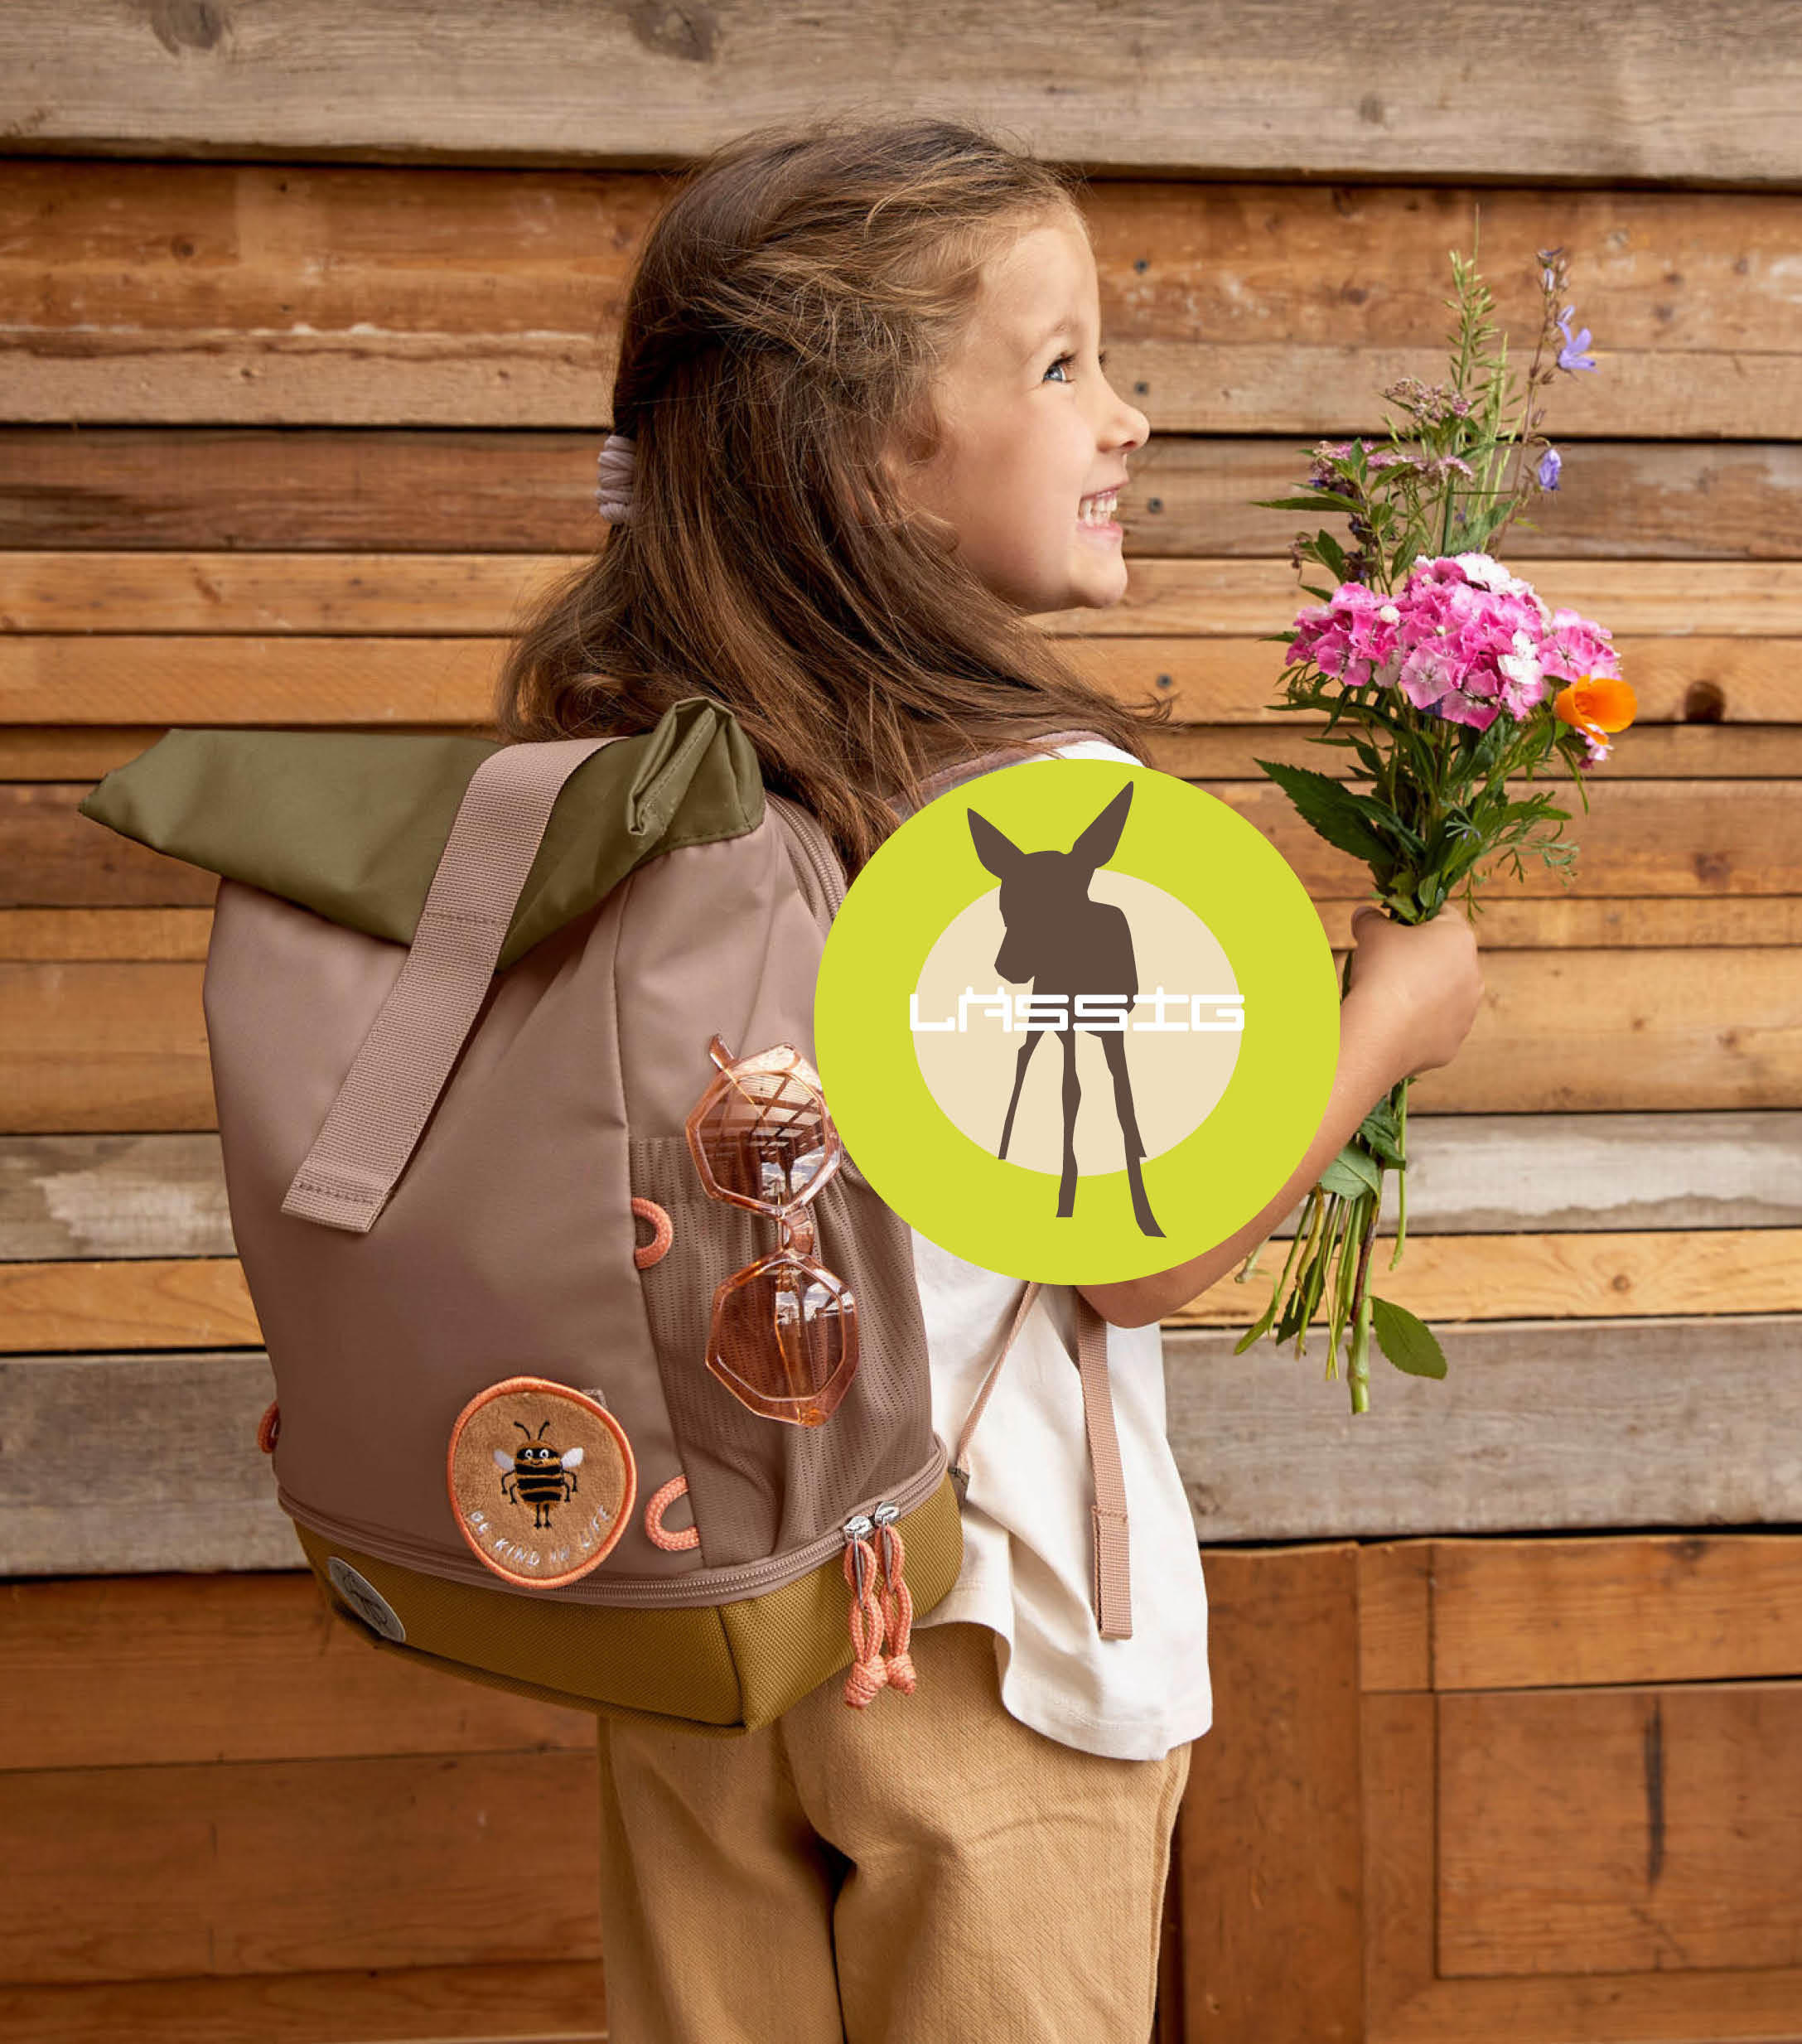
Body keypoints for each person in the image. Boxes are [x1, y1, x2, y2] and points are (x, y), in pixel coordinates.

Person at [495, 111, 1484, 2044]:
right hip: (984, 1639)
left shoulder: (612, 773)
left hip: (695, 1612)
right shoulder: (1045, 815)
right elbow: (1130, 1249)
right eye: (1059, 364)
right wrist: (1385, 1022)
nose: (1122, 417)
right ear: (873, 462)